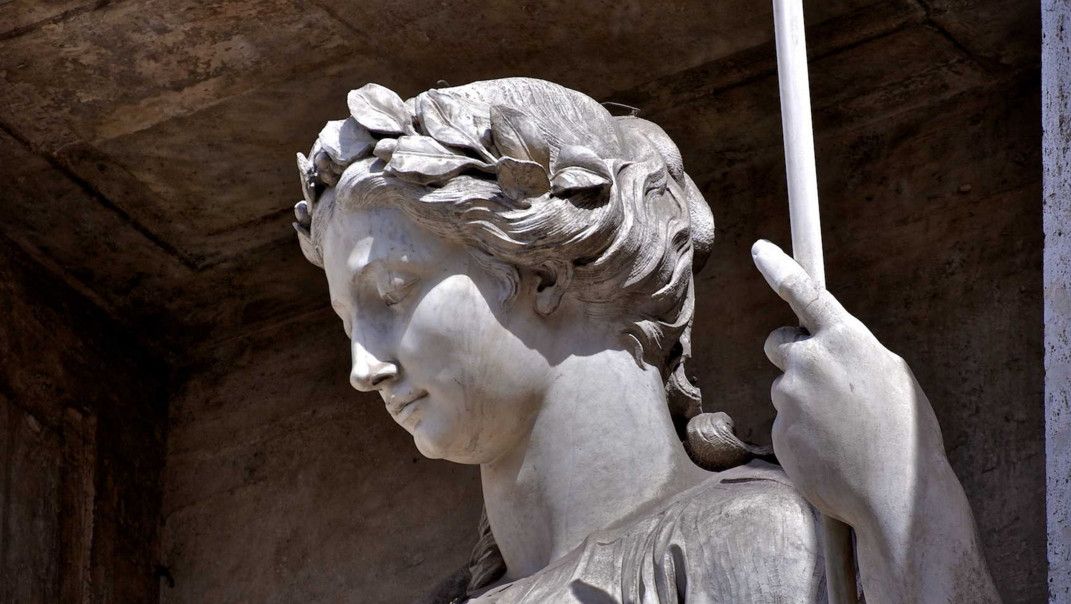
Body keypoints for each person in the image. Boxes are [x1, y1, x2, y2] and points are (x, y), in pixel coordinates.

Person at [291, 78, 999, 603]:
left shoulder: (743, 541)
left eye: (393, 292)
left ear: (543, 272)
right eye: (349, 322)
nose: (363, 367)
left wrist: (898, 496)